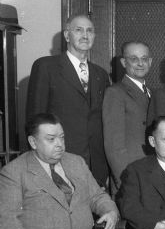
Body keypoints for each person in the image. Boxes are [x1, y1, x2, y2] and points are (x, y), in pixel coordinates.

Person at [26, 14, 111, 186]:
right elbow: (35, 120)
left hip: (95, 167)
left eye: (90, 31)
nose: (85, 35)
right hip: (58, 161)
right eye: (78, 30)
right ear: (67, 36)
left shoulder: (100, 74)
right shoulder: (46, 66)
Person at [102, 41, 153, 190]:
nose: (140, 63)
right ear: (124, 62)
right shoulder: (115, 92)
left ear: (150, 62)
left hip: (152, 173)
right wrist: (125, 181)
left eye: (144, 59)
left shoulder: (153, 93)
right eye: (133, 59)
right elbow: (113, 146)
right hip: (130, 177)